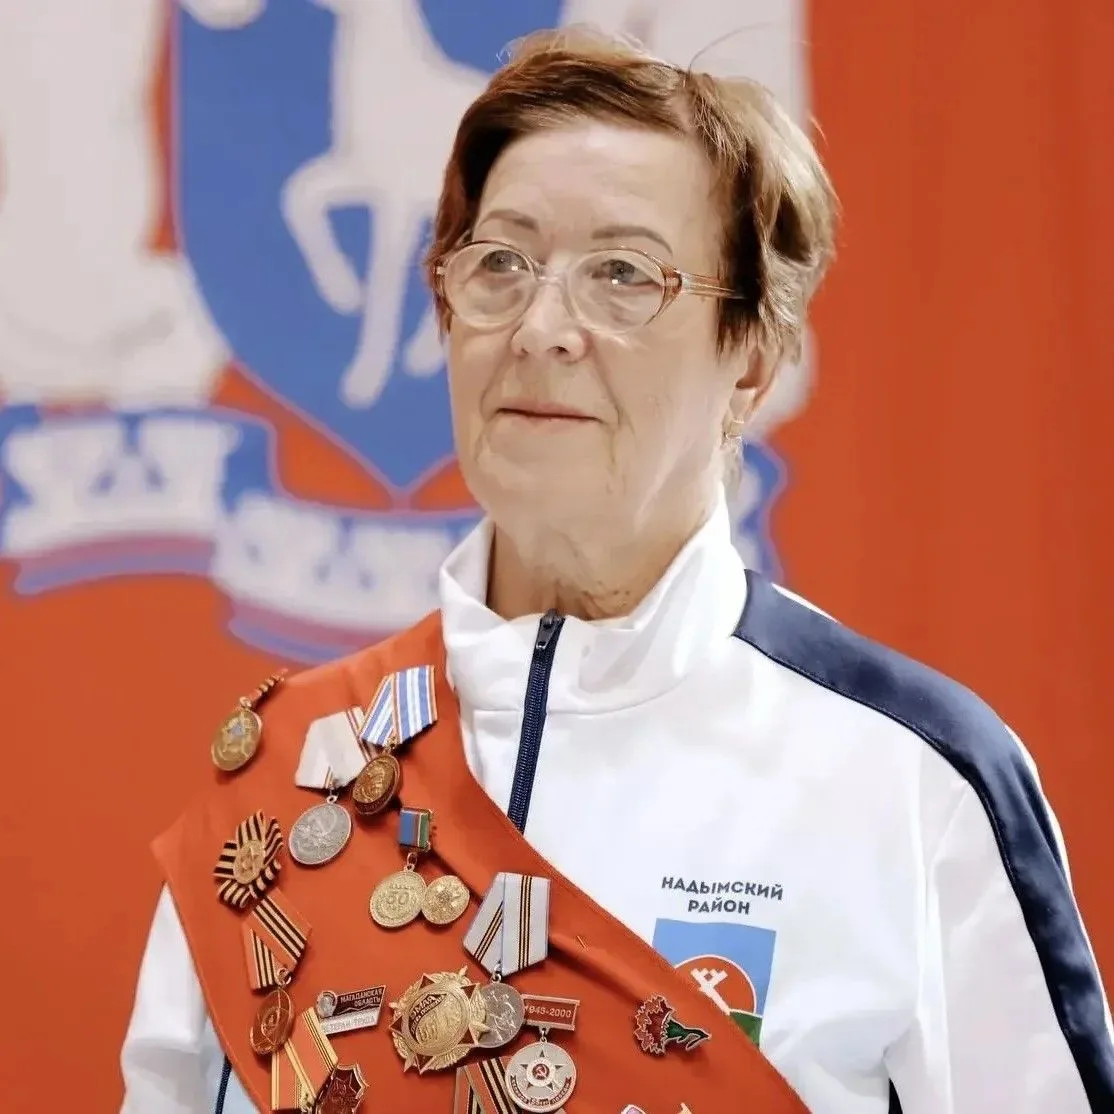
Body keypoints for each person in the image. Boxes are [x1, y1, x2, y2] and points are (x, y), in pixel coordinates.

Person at [120, 26, 1114, 1114]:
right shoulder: (286, 782)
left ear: (750, 359)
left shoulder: (915, 782)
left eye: (623, 275)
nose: (541, 327)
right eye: (500, 264)